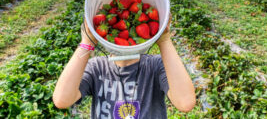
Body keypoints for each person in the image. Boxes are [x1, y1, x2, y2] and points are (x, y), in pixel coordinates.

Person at [53, 16, 196, 118]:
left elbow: (185, 102)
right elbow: (62, 99)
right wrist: (86, 42)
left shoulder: (155, 66)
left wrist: (164, 40)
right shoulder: (96, 68)